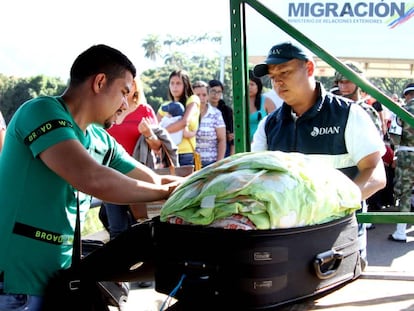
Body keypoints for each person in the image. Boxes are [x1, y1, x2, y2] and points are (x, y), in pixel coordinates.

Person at [0, 44, 183, 310]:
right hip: (17, 288)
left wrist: (196, 186)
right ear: (99, 82)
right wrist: (165, 193)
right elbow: (92, 178)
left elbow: (152, 179)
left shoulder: (99, 139)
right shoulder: (40, 112)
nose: (124, 104)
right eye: (123, 92)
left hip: (59, 285)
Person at [251, 41, 386, 269]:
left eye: (285, 72)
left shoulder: (349, 114)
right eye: (273, 77)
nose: (278, 82)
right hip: (287, 244)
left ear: (310, 69)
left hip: (339, 239)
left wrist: (334, 205)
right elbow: (257, 179)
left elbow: (375, 173)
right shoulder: (268, 125)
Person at [100, 76, 161, 240]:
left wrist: (148, 134)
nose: (129, 85)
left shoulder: (145, 110)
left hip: (136, 176)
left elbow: (158, 147)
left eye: (133, 81)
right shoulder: (109, 108)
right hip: (111, 176)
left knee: (139, 226)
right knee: (117, 229)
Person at [157, 69, 200, 166]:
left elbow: (184, 122)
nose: (174, 87)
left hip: (185, 154)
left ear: (186, 85)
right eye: (172, 83)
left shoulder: (193, 99)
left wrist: (162, 132)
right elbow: (155, 128)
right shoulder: (164, 106)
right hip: (167, 153)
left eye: (178, 83)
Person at [388, 82, 414, 242]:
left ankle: (400, 232)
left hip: (406, 155)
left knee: (404, 193)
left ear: (406, 95)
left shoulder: (401, 111)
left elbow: (394, 137)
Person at [193, 80, 226, 167]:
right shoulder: (187, 113)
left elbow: (222, 140)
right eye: (198, 95)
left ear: (208, 96)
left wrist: (219, 163)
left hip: (211, 163)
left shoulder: (216, 114)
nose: (201, 98)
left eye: (204, 95)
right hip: (191, 162)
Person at [208, 79, 235, 157]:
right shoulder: (202, 108)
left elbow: (232, 135)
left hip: (224, 148)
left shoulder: (227, 110)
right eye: (213, 91)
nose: (216, 94)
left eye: (219, 92)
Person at [248, 70, 276, 143]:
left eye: (252, 84)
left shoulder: (267, 102)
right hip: (243, 145)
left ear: (258, 86)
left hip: (262, 143)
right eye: (247, 84)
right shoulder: (239, 103)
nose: (249, 87)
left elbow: (275, 125)